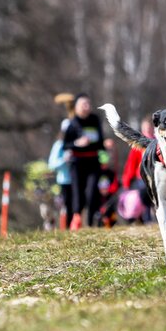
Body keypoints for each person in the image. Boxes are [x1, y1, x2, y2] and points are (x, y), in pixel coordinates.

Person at [62, 92, 105, 229]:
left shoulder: (95, 120)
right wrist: (77, 144)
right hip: (77, 163)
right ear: (76, 107)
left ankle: (91, 221)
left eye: (88, 104)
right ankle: (77, 219)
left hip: (93, 161)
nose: (86, 107)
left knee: (92, 192)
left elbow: (101, 142)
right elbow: (65, 145)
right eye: (83, 104)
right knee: (77, 193)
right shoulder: (72, 123)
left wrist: (103, 148)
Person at [119, 117, 155, 223]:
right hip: (142, 178)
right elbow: (131, 164)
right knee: (144, 192)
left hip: (156, 176)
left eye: (149, 128)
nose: (147, 130)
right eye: (145, 128)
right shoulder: (138, 145)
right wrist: (127, 181)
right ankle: (146, 218)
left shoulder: (157, 143)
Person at [49, 110, 76, 230]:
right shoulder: (59, 145)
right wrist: (64, 160)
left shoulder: (76, 143)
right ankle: (65, 229)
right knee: (67, 206)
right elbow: (52, 165)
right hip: (64, 181)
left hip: (77, 179)